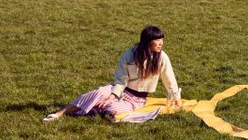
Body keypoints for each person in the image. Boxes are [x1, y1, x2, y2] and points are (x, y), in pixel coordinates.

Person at [42, 26, 182, 123]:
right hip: (121, 90)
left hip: (136, 100)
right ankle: (59, 113)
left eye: (161, 39)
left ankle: (90, 108)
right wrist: (111, 96)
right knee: (98, 93)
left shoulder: (161, 57)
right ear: (147, 42)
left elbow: (169, 78)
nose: (161, 43)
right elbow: (120, 81)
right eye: (157, 40)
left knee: (112, 108)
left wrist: (176, 98)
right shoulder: (129, 54)